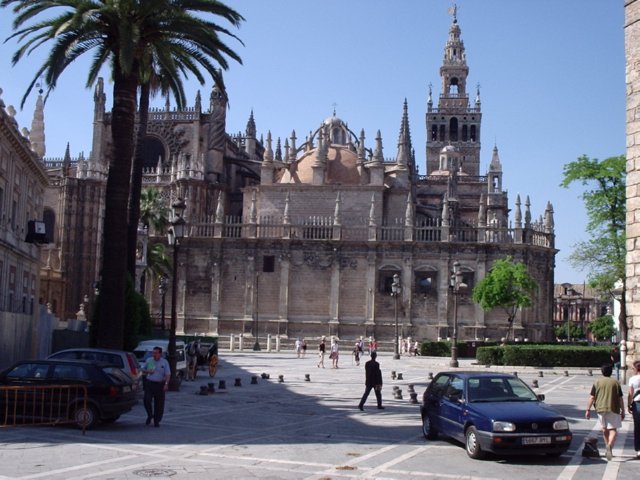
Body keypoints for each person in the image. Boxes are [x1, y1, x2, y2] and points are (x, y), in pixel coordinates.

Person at [585, 364, 625, 460]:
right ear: (611, 372)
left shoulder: (597, 382)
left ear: (602, 372)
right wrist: (623, 410)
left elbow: (592, 397)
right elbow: (620, 398)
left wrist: (588, 409)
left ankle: (607, 445)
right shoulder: (616, 382)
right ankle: (610, 446)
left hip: (600, 408)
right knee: (613, 429)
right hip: (613, 408)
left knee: (604, 429)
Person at [143, 346, 171, 427]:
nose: (154, 354)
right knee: (146, 400)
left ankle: (156, 420)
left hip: (159, 385)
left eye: (156, 353)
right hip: (150, 383)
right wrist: (148, 371)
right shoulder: (149, 360)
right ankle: (149, 415)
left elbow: (168, 374)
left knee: (159, 404)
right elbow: (143, 370)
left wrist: (166, 384)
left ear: (160, 354)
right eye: (153, 352)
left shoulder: (164, 362)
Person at [628, 360, 640, 458]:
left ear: (636, 369)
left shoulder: (632, 379)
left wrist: (628, 404)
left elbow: (630, 393)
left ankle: (639, 450)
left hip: (637, 404)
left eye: (633, 368)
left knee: (637, 427)